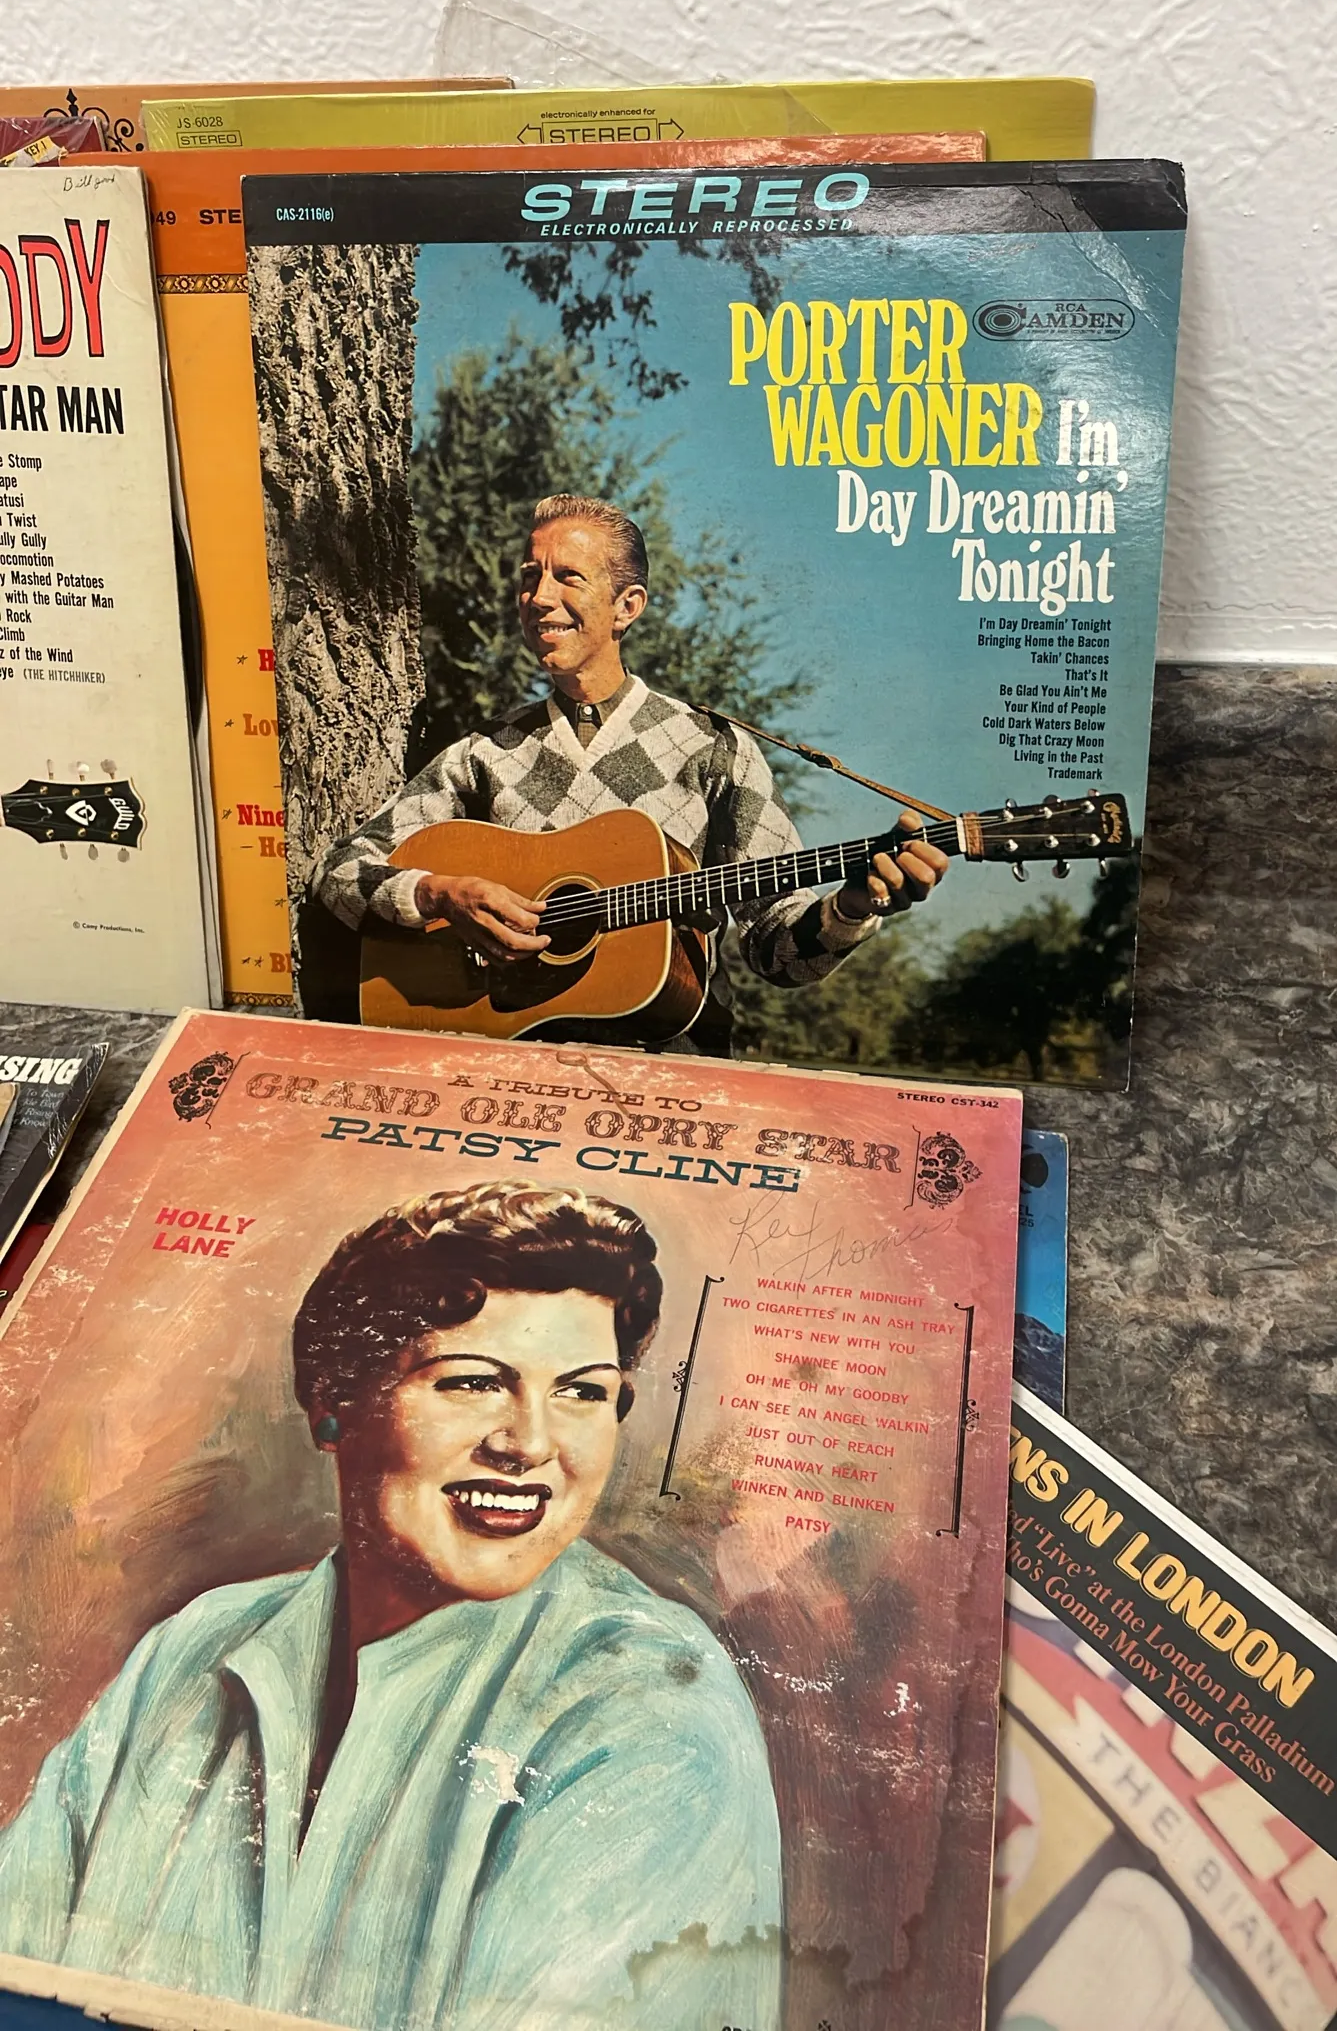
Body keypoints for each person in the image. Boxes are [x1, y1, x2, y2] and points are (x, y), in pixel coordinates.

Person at [0, 1183, 783, 2031]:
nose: (529, 1443)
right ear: (332, 1404)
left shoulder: (652, 1700)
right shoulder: (192, 1649)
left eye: (582, 1393)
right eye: (473, 1382)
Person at [313, 492, 948, 1045]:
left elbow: (776, 952)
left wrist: (852, 907)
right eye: (530, 576)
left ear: (627, 606)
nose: (539, 597)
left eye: (568, 577)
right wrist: (439, 895)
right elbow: (338, 874)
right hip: (504, 1063)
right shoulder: (483, 752)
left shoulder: (713, 748)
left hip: (668, 1076)